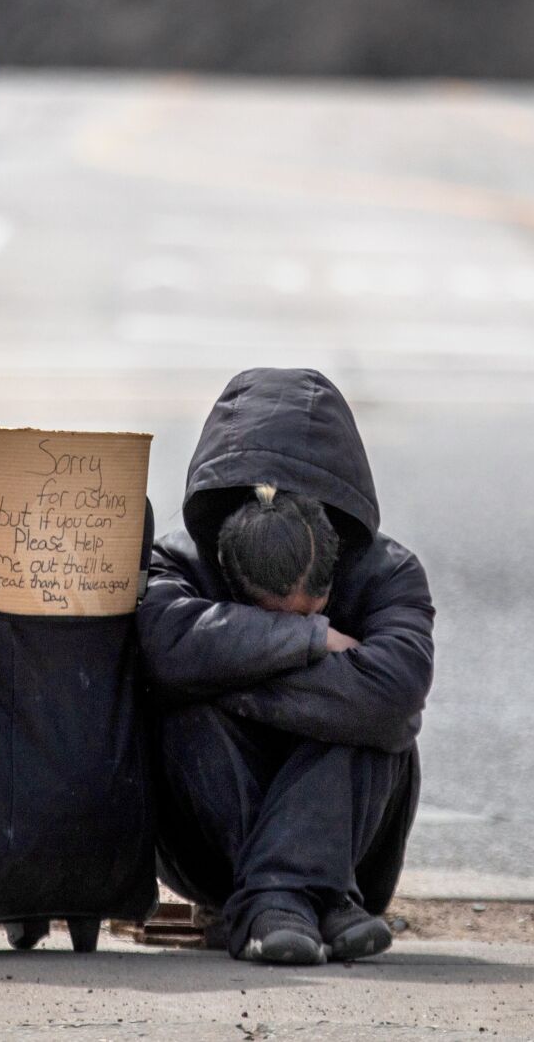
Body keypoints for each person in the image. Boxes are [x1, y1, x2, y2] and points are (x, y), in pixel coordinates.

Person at [138, 367, 435, 966]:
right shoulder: (175, 562)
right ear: (229, 569)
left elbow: (395, 692)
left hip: (358, 851)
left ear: (338, 562)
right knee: (188, 712)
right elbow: (166, 650)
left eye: (313, 610)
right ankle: (306, 900)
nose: (300, 623)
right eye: (269, 616)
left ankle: (280, 899)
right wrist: (313, 638)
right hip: (209, 851)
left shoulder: (391, 573)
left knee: (377, 722)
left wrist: (238, 671)